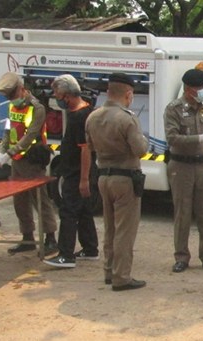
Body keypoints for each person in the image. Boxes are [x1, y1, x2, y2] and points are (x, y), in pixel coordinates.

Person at [85, 72, 148, 291]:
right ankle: (122, 276)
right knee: (125, 230)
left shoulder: (93, 117)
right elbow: (140, 150)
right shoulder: (127, 118)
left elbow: (90, 146)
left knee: (109, 227)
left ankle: (109, 271)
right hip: (125, 178)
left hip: (103, 176)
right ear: (128, 94)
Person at [0, 72, 58, 255]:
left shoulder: (37, 108)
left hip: (33, 159)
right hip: (17, 160)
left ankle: (51, 238)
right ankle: (27, 237)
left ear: (21, 89)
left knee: (40, 200)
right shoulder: (13, 107)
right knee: (20, 202)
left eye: (12, 95)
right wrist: (1, 150)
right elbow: (8, 131)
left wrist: (9, 154)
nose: (10, 99)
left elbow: (31, 135)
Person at [164, 68, 203, 273]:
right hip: (181, 167)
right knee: (183, 213)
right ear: (189, 89)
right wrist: (199, 139)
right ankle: (181, 256)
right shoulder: (174, 109)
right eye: (200, 88)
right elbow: (172, 138)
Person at [43, 74, 100, 269]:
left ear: (67, 95)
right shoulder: (84, 111)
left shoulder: (79, 117)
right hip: (77, 171)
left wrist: (84, 179)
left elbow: (85, 149)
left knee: (68, 212)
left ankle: (65, 254)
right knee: (84, 210)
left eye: (58, 95)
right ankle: (90, 248)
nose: (57, 99)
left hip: (77, 173)